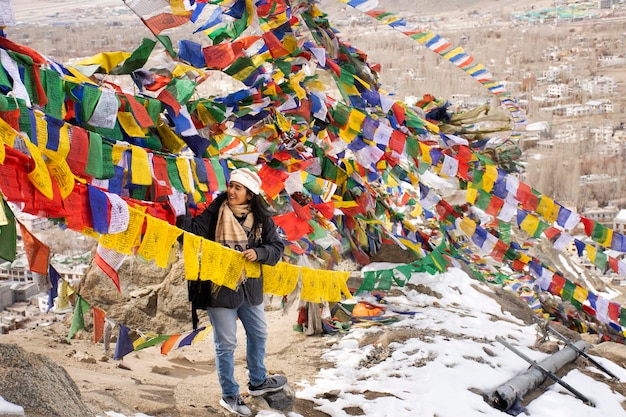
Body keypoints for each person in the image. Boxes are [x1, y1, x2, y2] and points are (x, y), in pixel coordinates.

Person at [176, 168, 287, 416]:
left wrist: (259, 253)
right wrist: (182, 212)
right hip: (220, 289)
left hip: (251, 289)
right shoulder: (217, 212)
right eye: (231, 185)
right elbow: (191, 235)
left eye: (238, 187)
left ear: (250, 194)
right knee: (226, 343)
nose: (231, 191)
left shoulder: (261, 219)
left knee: (259, 333)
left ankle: (258, 381)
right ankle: (230, 395)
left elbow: (276, 248)